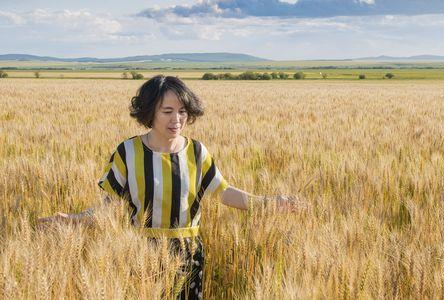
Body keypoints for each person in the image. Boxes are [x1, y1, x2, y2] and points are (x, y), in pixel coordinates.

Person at [37, 75, 298, 299]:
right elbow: (110, 208)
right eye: (167, 111)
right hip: (140, 252)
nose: (177, 119)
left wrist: (270, 203)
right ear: (150, 113)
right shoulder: (128, 152)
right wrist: (71, 220)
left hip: (189, 253)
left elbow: (224, 192)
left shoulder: (197, 151)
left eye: (183, 111)